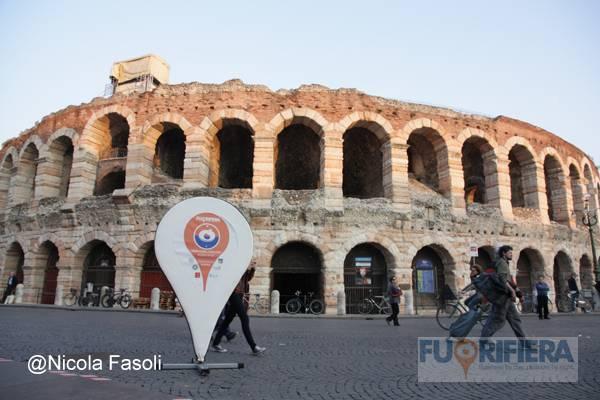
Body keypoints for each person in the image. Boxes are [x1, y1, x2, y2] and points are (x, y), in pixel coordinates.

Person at [211, 262, 266, 355]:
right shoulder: (235, 263)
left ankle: (215, 343)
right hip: (234, 293)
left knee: (227, 321)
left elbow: (247, 279)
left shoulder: (243, 265)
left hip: (240, 294)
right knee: (244, 318)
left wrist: (252, 269)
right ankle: (254, 347)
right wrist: (245, 267)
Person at [480, 245, 529, 345]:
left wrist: (518, 293)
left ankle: (524, 342)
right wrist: (512, 291)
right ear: (504, 253)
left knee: (515, 319)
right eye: (510, 253)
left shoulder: (503, 263)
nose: (511, 254)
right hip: (502, 297)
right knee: (498, 320)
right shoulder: (502, 263)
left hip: (505, 297)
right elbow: (503, 280)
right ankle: (484, 339)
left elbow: (509, 281)